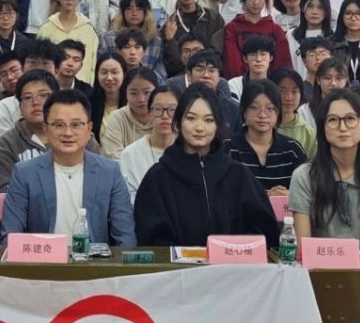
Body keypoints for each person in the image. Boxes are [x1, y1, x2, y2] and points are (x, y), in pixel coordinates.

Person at [132, 85, 279, 250]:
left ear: (218, 125)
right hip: (177, 266)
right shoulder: (158, 177)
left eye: (208, 120)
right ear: (178, 122)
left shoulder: (239, 175)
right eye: (191, 118)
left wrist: (232, 251)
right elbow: (151, 237)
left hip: (233, 264)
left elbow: (264, 230)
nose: (199, 127)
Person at [1, 89, 135, 246]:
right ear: (46, 129)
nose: (68, 133)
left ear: (89, 128)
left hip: (94, 261)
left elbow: (125, 236)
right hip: (42, 259)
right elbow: (10, 237)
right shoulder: (24, 173)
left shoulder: (110, 172)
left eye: (76, 125)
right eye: (59, 125)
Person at [291, 88, 360, 248]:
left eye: (350, 118)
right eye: (333, 120)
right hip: (319, 261)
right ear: (323, 128)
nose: (343, 127)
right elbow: (302, 246)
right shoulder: (305, 176)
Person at [0, 68, 96, 191]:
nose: (36, 102)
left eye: (44, 95)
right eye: (27, 97)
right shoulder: (8, 143)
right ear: (19, 106)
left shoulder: (82, 136)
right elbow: (7, 190)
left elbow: (96, 182)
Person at [228, 79, 308, 196]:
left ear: (278, 112)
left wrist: (289, 195)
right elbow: (224, 196)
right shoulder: (228, 148)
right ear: (243, 111)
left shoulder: (293, 150)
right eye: (254, 107)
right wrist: (265, 199)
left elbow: (306, 193)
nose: (262, 115)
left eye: (270, 108)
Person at [220, 0, 293, 79]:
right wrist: (241, 82)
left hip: (270, 84)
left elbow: (282, 62)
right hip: (240, 84)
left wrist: (273, 83)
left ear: (266, 0)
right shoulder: (232, 28)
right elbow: (231, 62)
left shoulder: (275, 29)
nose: (255, 2)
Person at [118, 84, 179, 199]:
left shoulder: (189, 152)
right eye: (158, 109)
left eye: (172, 110)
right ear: (149, 113)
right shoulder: (130, 154)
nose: (165, 116)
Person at [40, 0, 99, 83]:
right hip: (52, 85)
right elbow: (41, 60)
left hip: (81, 87)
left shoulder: (88, 29)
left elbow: (92, 65)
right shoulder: (46, 28)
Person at [160, 0, 220, 64]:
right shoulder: (169, 24)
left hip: (209, 68)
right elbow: (171, 61)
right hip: (180, 71)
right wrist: (170, 40)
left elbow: (218, 51)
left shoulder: (213, 17)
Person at [101, 68, 159, 155]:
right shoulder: (118, 117)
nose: (141, 99)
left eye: (147, 92)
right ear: (126, 94)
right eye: (134, 93)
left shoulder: (164, 117)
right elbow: (113, 156)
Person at [271, 66, 317, 157]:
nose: (288, 97)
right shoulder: (262, 125)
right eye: (282, 91)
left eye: (294, 91)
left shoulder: (307, 131)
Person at [89, 50, 128, 130]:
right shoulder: (88, 103)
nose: (109, 78)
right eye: (104, 73)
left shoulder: (132, 104)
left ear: (124, 74)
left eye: (114, 72)